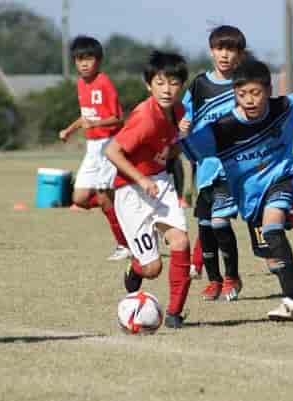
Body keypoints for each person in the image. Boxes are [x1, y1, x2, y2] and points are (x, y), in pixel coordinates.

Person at [181, 59, 293, 321]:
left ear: (268, 90)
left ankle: (290, 300)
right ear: (235, 94)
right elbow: (189, 148)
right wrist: (182, 133)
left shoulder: (284, 107)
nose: (250, 100)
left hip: (281, 180)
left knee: (272, 228)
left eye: (256, 93)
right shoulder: (221, 130)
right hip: (249, 199)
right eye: (242, 94)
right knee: (272, 261)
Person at [105, 50, 191, 329]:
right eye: (160, 83)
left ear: (182, 85)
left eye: (174, 83)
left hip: (161, 183)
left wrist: (182, 138)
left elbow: (170, 151)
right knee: (153, 269)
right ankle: (136, 266)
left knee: (181, 241)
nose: (167, 90)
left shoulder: (179, 112)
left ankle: (175, 314)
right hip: (131, 191)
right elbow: (112, 151)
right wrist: (141, 180)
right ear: (149, 85)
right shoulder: (144, 118)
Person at [179, 25, 246, 301]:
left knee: (220, 222)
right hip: (204, 166)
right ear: (211, 51)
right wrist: (183, 124)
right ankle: (214, 280)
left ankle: (232, 277)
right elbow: (184, 116)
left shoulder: (243, 83)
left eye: (231, 49)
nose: (225, 54)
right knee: (205, 225)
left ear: (240, 55)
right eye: (220, 48)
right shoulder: (199, 85)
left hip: (231, 167)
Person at [58, 35, 131, 261]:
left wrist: (96, 124)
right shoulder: (81, 83)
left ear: (98, 60)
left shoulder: (104, 82)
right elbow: (86, 115)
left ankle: (124, 245)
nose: (84, 64)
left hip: (109, 145)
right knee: (79, 198)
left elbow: (117, 118)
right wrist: (70, 130)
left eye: (88, 59)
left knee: (102, 196)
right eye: (79, 59)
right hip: (92, 147)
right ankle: (121, 212)